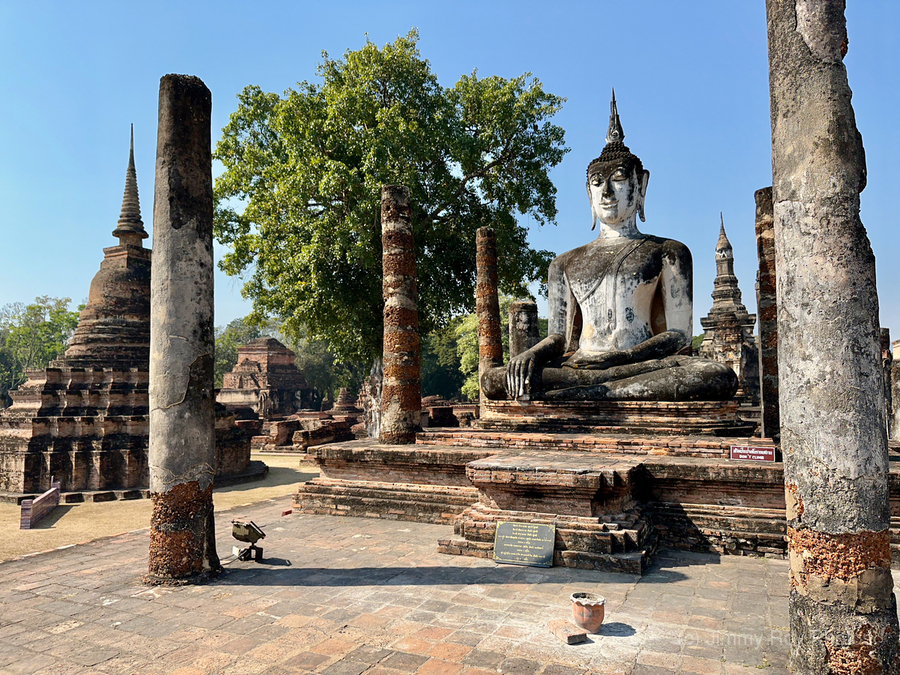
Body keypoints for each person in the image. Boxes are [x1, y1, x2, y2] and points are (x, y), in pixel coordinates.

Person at [481, 92, 737, 402]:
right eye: (597, 182)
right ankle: (597, 391)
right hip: (581, 366)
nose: (606, 192)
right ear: (588, 193)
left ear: (639, 185)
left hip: (640, 365)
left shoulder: (668, 251)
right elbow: (559, 338)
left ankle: (589, 393)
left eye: (617, 179)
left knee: (715, 376)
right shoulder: (564, 262)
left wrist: (620, 359)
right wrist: (531, 353)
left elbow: (678, 337)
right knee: (495, 380)